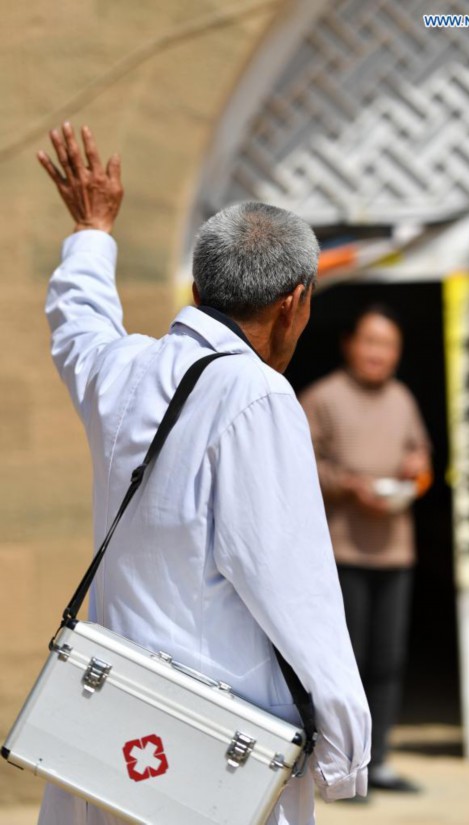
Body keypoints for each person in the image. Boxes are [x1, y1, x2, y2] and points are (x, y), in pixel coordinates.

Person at [35, 123, 371, 825]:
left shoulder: (123, 369)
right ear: (294, 303)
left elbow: (77, 321)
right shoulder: (258, 395)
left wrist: (92, 232)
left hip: (106, 730)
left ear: (197, 288)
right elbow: (294, 585)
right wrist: (346, 749)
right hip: (211, 754)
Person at [300, 304, 432, 794]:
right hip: (341, 551)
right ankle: (341, 767)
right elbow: (297, 462)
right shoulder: (322, 397)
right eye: (371, 342)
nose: (379, 353)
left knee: (388, 658)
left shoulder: (402, 398)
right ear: (350, 344)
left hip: (395, 548)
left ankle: (381, 762)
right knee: (344, 662)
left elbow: (421, 455)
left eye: (389, 345)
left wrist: (417, 469)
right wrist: (345, 484)